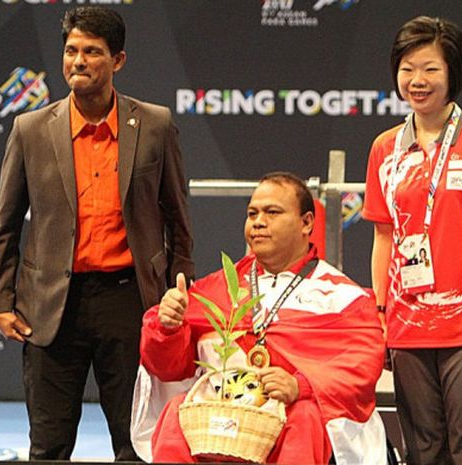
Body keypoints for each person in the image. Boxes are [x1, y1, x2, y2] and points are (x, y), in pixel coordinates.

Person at [0, 6, 194, 461]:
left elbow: (177, 215)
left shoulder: (154, 124)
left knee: (136, 443)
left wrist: (181, 290)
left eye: (92, 52)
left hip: (131, 301)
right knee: (49, 445)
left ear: (117, 60)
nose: (78, 61)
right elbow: (6, 221)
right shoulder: (31, 129)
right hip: (52, 305)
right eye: (71, 50)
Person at [131, 172, 387, 464]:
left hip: (292, 415)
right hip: (220, 414)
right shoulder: (215, 289)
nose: (258, 222)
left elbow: (359, 369)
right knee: (178, 409)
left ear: (306, 223)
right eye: (252, 213)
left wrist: (300, 386)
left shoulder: (343, 298)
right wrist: (168, 328)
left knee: (305, 416)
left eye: (272, 212)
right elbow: (168, 369)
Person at [363, 16, 462, 465]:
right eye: (408, 68)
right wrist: (381, 313)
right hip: (408, 327)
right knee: (423, 451)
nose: (418, 80)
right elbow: (384, 233)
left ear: (453, 73)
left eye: (430, 69)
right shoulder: (384, 149)